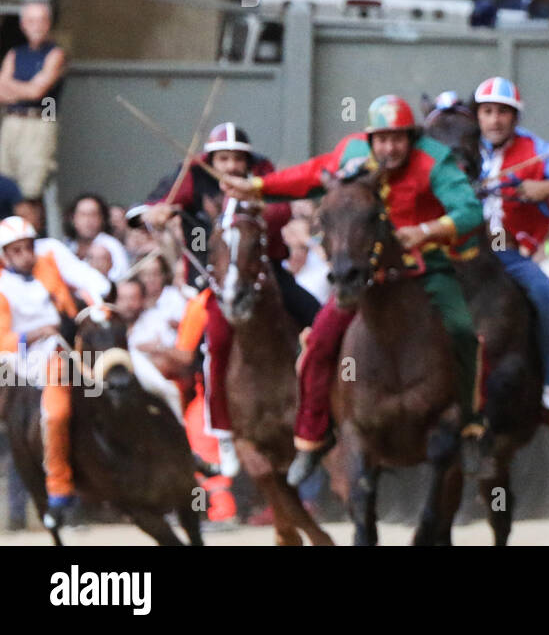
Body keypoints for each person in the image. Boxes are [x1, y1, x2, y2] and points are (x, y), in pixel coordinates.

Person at [222, 94, 482, 486]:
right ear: (370, 138)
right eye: (382, 139)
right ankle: (311, 439)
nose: (390, 148)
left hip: (423, 269)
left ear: (411, 138)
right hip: (362, 275)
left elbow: (468, 210)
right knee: (318, 344)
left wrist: (427, 230)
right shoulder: (351, 153)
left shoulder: (434, 160)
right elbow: (309, 175)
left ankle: (469, 425)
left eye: (398, 139)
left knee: (463, 332)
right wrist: (256, 186)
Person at [134, 122, 319, 477]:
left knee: (322, 320)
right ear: (212, 160)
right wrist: (153, 213)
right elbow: (147, 207)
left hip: (265, 275)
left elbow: (281, 210)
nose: (232, 166)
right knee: (215, 346)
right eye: (224, 159)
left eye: (238, 159)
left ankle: (321, 416)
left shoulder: (262, 176)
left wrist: (253, 201)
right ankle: (225, 434)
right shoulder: (192, 177)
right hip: (215, 285)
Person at [474, 76, 549, 442]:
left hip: (510, 254)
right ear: (478, 116)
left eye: (503, 113)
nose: (495, 120)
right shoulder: (464, 148)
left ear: (515, 117)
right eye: (488, 112)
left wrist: (547, 187)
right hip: (462, 253)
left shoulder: (536, 149)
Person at [0, 215, 99, 528]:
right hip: (21, 358)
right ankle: (57, 489)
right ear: (5, 255)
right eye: (16, 250)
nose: (26, 255)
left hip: (66, 347)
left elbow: (82, 295)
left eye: (28, 247)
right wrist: (33, 334)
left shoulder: (51, 263)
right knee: (53, 415)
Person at [0, 0, 64, 199]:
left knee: (31, 190)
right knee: (5, 181)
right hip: (11, 120)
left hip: (41, 120)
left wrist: (13, 86)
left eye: (42, 20)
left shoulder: (55, 53)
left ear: (48, 24)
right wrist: (27, 88)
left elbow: (38, 92)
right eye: (32, 21)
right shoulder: (15, 53)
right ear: (23, 25)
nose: (37, 26)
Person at [65, 193, 128, 281]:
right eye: (83, 215)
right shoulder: (67, 246)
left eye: (93, 215)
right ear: (73, 219)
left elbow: (121, 277)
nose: (88, 220)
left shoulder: (112, 245)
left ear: (102, 219)